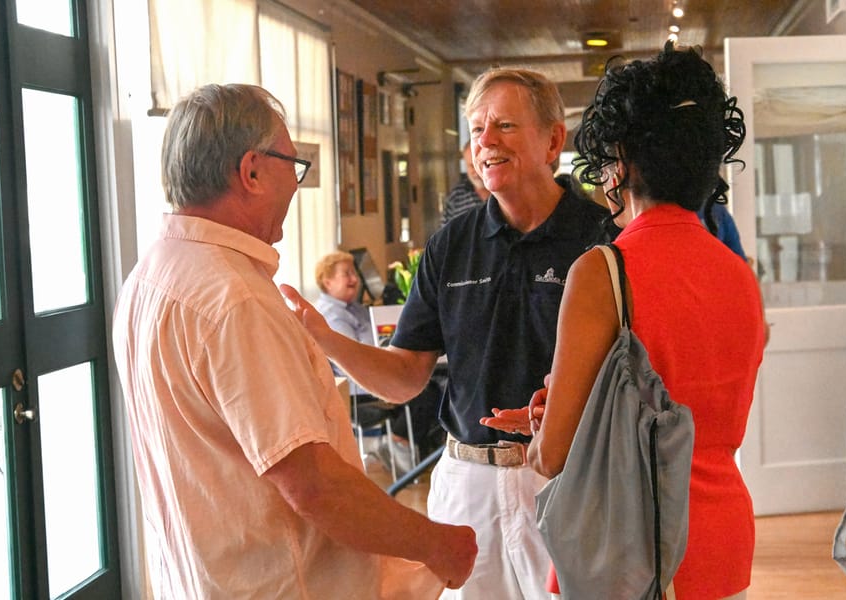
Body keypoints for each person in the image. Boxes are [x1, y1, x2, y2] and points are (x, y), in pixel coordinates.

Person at [112, 83, 476, 599]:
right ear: (252, 171)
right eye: (293, 165)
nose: (296, 183)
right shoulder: (234, 298)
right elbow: (313, 485)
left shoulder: (150, 274)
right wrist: (435, 544)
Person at [282, 68, 613, 599]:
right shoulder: (451, 244)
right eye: (476, 129)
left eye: (504, 124)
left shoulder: (601, 239)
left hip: (565, 478)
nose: (486, 141)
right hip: (467, 484)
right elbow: (405, 379)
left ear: (554, 140)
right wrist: (323, 336)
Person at [482, 42, 765, 599]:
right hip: (721, 539)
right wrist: (576, 409)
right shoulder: (739, 275)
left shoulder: (604, 270)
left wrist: (546, 427)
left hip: (632, 549)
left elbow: (553, 458)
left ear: (622, 161)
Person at [314, 250, 444, 469]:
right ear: (327, 281)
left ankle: (409, 447)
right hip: (359, 384)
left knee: (433, 384)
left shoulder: (356, 309)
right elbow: (353, 358)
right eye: (346, 274)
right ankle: (398, 441)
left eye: (354, 272)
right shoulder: (333, 315)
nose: (355, 279)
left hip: (375, 372)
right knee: (425, 389)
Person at [441, 140, 489, 225]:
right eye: (471, 165)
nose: (475, 171)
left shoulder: (508, 192)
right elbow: (445, 234)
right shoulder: (456, 197)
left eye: (480, 164)